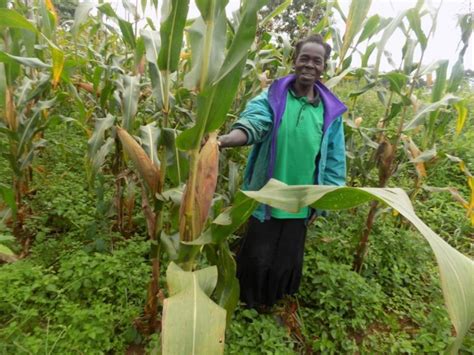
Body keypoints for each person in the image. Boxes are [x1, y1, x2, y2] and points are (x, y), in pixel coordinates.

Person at [217, 34, 347, 309]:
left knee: (286, 255)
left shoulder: (330, 112)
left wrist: (325, 199)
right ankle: (249, 303)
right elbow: (253, 124)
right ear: (294, 61)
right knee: (259, 252)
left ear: (324, 67)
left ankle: (273, 301)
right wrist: (224, 140)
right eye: (304, 59)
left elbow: (335, 159)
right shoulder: (273, 98)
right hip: (267, 195)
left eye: (317, 60)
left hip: (302, 198)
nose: (310, 65)